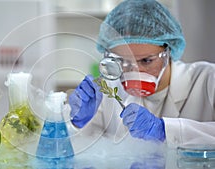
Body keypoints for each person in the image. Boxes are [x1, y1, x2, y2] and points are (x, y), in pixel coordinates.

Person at [69, 0, 215, 147]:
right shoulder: (108, 92)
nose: (135, 72)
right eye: (123, 61)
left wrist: (165, 131)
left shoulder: (207, 80)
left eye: (146, 60)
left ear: (168, 51)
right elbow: (74, 150)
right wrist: (77, 123)